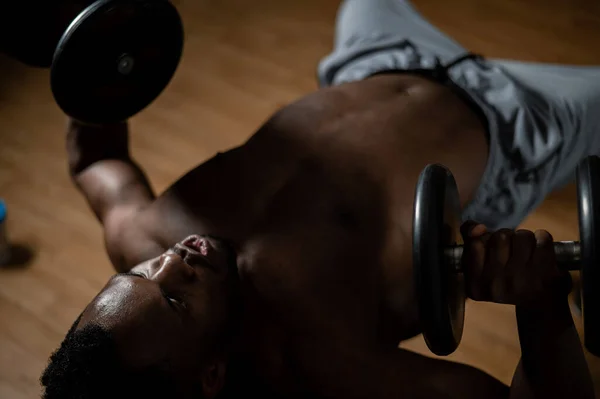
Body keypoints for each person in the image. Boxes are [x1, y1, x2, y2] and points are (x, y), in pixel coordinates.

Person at [40, 0, 599, 398]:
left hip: (371, 58)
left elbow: (94, 161)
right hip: (520, 125)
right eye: (178, 302)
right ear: (210, 376)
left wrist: (91, 42)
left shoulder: (142, 234)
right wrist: (542, 304)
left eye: (138, 274)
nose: (172, 262)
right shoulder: (321, 359)